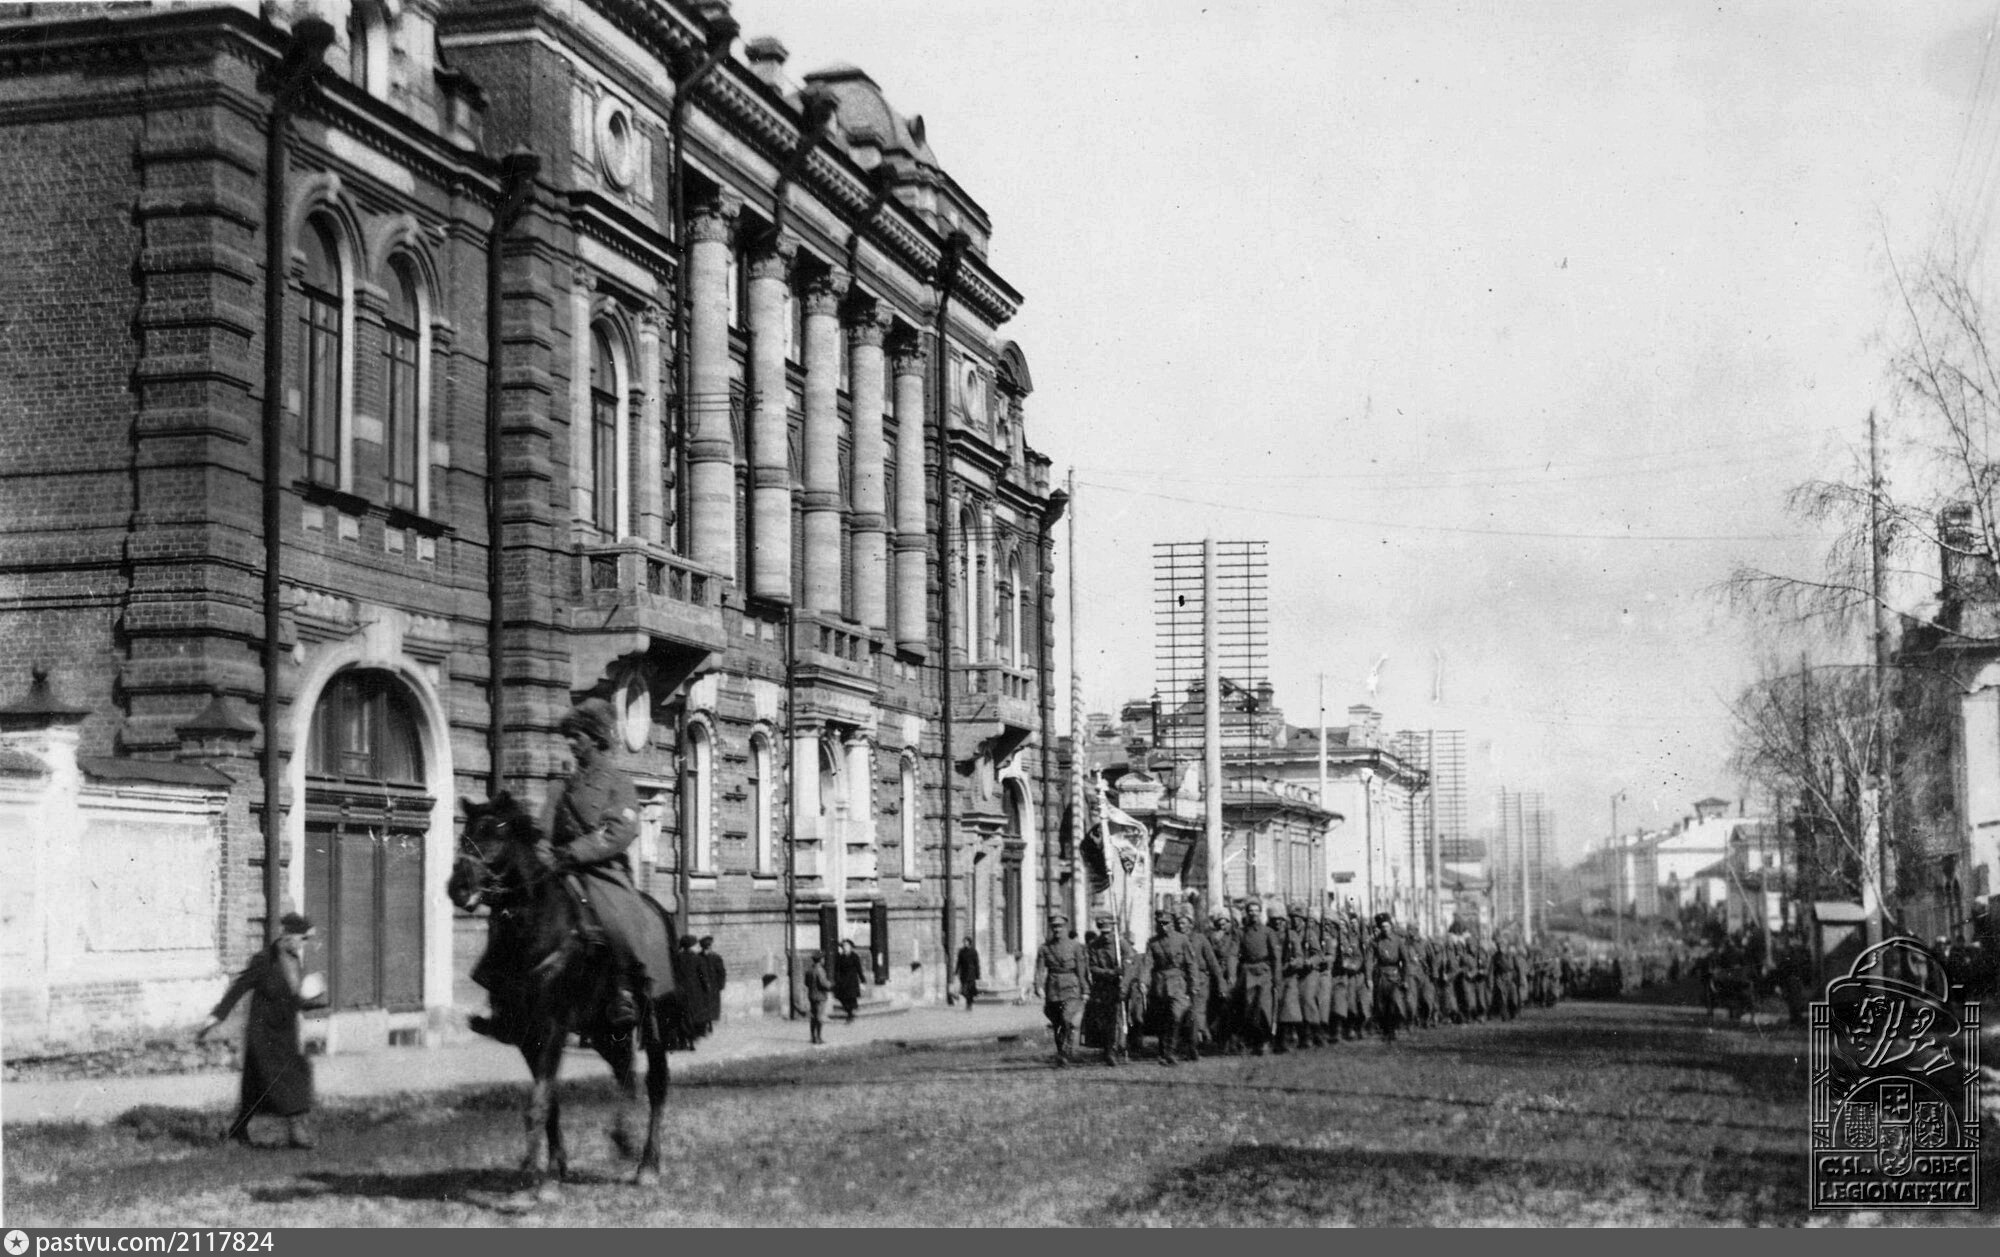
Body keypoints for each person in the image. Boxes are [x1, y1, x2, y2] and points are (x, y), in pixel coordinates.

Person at [197, 912, 326, 1149]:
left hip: (285, 1034)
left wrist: (313, 1000)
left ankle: (238, 1130)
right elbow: (240, 987)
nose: (303, 944)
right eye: (302, 939)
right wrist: (217, 1015)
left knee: (258, 1090)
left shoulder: (294, 961)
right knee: (289, 1080)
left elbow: (293, 999)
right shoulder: (264, 960)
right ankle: (298, 1133)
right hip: (264, 1036)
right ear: (288, 936)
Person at [1033, 914, 1088, 1065]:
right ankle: (1062, 1053)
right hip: (1053, 988)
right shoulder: (1044, 948)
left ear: (1066, 927)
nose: (1057, 929)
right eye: (1054, 927)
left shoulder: (1075, 946)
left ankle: (1067, 1050)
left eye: (1060, 926)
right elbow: (1039, 970)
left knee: (1066, 1018)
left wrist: (1085, 989)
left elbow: (1081, 970)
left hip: (1071, 987)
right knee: (1057, 1022)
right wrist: (1038, 986)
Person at [1235, 900, 1280, 1055]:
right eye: (1250, 911)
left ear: (1260, 913)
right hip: (1248, 972)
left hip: (1264, 971)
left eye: (1256, 910)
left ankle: (1266, 1040)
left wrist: (1277, 978)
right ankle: (1253, 1041)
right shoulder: (1241, 933)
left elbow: (1275, 957)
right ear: (1247, 913)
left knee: (1264, 1007)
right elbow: (1233, 954)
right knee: (1249, 1007)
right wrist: (1232, 976)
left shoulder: (1268, 932)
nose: (1253, 913)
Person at [698, 935, 727, 1032]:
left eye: (709, 946)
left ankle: (710, 1024)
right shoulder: (698, 957)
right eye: (706, 946)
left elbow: (721, 972)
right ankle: (706, 1024)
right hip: (702, 986)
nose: (708, 948)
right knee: (703, 1006)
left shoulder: (716, 957)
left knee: (712, 1006)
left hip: (714, 986)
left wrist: (721, 985)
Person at [833, 938, 865, 1021]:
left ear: (850, 947)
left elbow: (859, 969)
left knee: (851, 997)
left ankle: (850, 1014)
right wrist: (837, 979)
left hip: (852, 981)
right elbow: (837, 969)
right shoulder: (840, 957)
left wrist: (862, 979)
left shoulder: (854, 956)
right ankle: (850, 1010)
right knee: (843, 998)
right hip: (843, 981)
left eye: (847, 946)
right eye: (843, 946)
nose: (845, 947)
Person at [805, 951, 832, 1044]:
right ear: (820, 960)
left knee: (813, 1017)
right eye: (823, 958)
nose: (824, 960)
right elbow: (823, 983)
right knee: (819, 1017)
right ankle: (818, 1037)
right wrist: (830, 985)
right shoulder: (820, 970)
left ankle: (813, 1037)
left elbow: (806, 983)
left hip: (811, 995)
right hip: (820, 997)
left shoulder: (809, 970)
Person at [956, 936, 982, 1011]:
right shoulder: (961, 951)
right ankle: (969, 1000)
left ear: (969, 943)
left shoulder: (973, 951)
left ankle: (969, 1003)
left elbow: (976, 963)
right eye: (964, 942)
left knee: (970, 989)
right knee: (964, 990)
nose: (965, 943)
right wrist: (956, 971)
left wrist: (978, 974)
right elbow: (959, 962)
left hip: (971, 973)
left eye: (966, 942)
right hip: (963, 973)